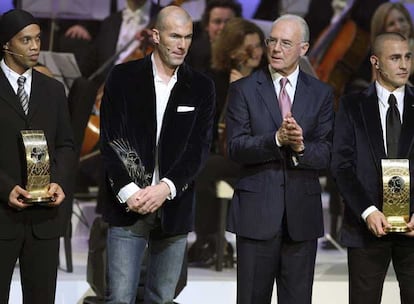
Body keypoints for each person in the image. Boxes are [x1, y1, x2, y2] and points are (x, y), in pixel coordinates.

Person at [99, 5, 215, 304]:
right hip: (128, 204)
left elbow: (198, 148)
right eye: (175, 36)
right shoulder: (123, 78)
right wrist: (129, 191)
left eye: (188, 37)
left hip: (173, 206)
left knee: (162, 298)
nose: (182, 44)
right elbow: (113, 139)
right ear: (155, 35)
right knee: (119, 298)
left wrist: (166, 188)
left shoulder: (201, 87)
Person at [226, 14, 334, 304]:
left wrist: (300, 147)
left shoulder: (322, 93)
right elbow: (234, 146)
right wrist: (275, 140)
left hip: (302, 219)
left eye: (285, 43)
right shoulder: (244, 89)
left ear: (304, 48)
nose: (275, 48)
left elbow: (326, 153)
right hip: (256, 216)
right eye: (271, 40)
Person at [331, 32, 414, 304]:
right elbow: (341, 166)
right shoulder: (352, 104)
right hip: (366, 227)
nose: (404, 65)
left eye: (408, 57)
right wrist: (367, 211)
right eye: (395, 58)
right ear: (375, 62)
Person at [0, 9, 75, 304]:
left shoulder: (53, 90)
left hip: (44, 220)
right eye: (25, 40)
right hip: (3, 216)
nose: (35, 46)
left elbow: (66, 145)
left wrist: (58, 181)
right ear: (6, 45)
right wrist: (6, 189)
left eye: (38, 38)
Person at [189, 17, 265, 268]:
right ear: (232, 51)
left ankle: (208, 241)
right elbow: (206, 125)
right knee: (202, 164)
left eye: (259, 46)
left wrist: (241, 94)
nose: (256, 52)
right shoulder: (215, 79)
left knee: (208, 167)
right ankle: (210, 238)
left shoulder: (266, 80)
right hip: (224, 151)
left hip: (257, 152)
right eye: (248, 47)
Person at [185, 0, 242, 74]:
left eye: (229, 22)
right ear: (207, 26)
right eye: (217, 22)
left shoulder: (247, 51)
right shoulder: (191, 53)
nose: (223, 27)